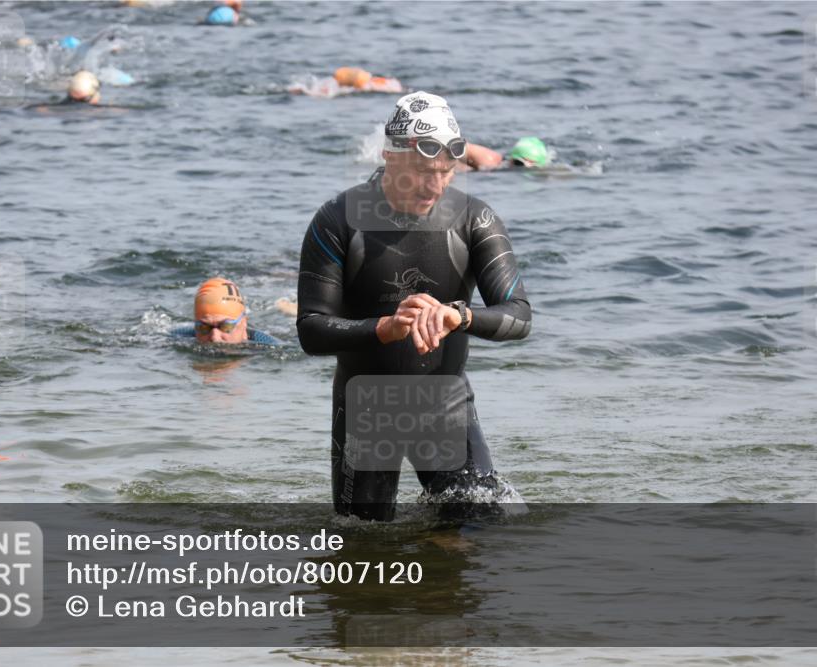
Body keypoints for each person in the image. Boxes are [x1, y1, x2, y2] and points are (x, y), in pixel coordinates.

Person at [296, 92, 531, 521]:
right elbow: (311, 329)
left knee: (478, 527)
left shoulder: (474, 219)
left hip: (444, 403)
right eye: (424, 171)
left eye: (447, 172)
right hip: (365, 407)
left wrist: (459, 315)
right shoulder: (338, 220)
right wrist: (384, 327)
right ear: (390, 156)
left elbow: (519, 315)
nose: (436, 185)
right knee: (361, 551)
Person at [172, 277, 281, 346]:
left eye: (225, 326)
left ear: (243, 323)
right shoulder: (178, 336)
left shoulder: (268, 345)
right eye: (204, 327)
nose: (215, 338)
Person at [463, 136, 550, 171]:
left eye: (533, 167)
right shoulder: (489, 160)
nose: (524, 169)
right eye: (519, 163)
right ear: (511, 160)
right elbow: (453, 144)